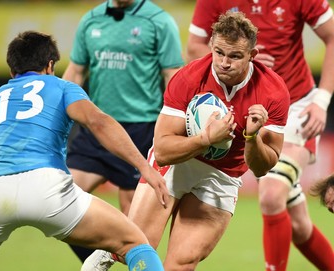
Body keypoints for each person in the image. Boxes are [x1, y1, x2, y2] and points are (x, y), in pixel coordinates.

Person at [0, 30, 170, 271]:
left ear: (11, 70)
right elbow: (97, 122)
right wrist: (144, 167)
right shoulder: (62, 87)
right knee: (134, 242)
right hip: (46, 189)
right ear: (50, 65)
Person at [81, 11, 291, 271]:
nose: (224, 62)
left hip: (222, 176)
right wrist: (205, 138)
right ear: (211, 46)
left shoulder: (273, 91)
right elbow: (163, 151)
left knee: (182, 263)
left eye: (235, 56)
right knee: (135, 249)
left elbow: (262, 167)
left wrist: (251, 138)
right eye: (218, 52)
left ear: (252, 55)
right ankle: (111, 250)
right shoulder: (189, 77)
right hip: (178, 163)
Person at [186, 1, 334, 270]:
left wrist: (322, 101)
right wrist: (242, 62)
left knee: (271, 194)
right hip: (250, 105)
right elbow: (194, 47)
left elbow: (332, 35)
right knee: (299, 225)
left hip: (297, 106)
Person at [62, 0, 184, 262]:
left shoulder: (159, 22)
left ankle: (125, 264)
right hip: (96, 128)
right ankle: (97, 262)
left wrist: (175, 126)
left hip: (140, 131)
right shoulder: (91, 20)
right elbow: (75, 71)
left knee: (134, 228)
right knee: (59, 202)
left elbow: (173, 78)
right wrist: (55, 112)